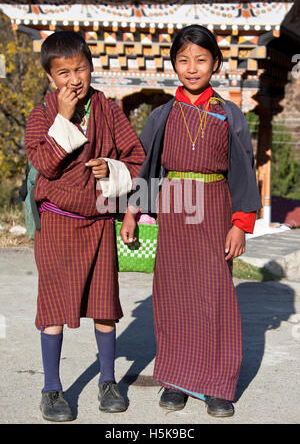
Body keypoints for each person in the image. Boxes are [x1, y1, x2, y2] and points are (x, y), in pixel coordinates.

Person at [121, 24, 262, 418]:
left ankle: (217, 386)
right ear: (174, 65)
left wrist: (240, 223)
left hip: (215, 207)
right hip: (175, 208)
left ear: (215, 63)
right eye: (183, 60)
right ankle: (176, 381)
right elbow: (146, 166)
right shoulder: (162, 115)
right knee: (174, 295)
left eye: (201, 59)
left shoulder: (228, 114)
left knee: (214, 295)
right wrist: (132, 212)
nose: (192, 67)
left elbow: (243, 171)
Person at [25, 31, 145, 421]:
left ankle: (108, 381)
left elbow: (137, 158)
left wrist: (110, 168)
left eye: (81, 69)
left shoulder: (108, 111)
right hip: (58, 224)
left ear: (92, 68)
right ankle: (52, 388)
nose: (74, 80)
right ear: (50, 78)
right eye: (63, 73)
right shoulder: (41, 115)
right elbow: (44, 163)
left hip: (98, 224)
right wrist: (62, 119)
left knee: (104, 305)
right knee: (55, 308)